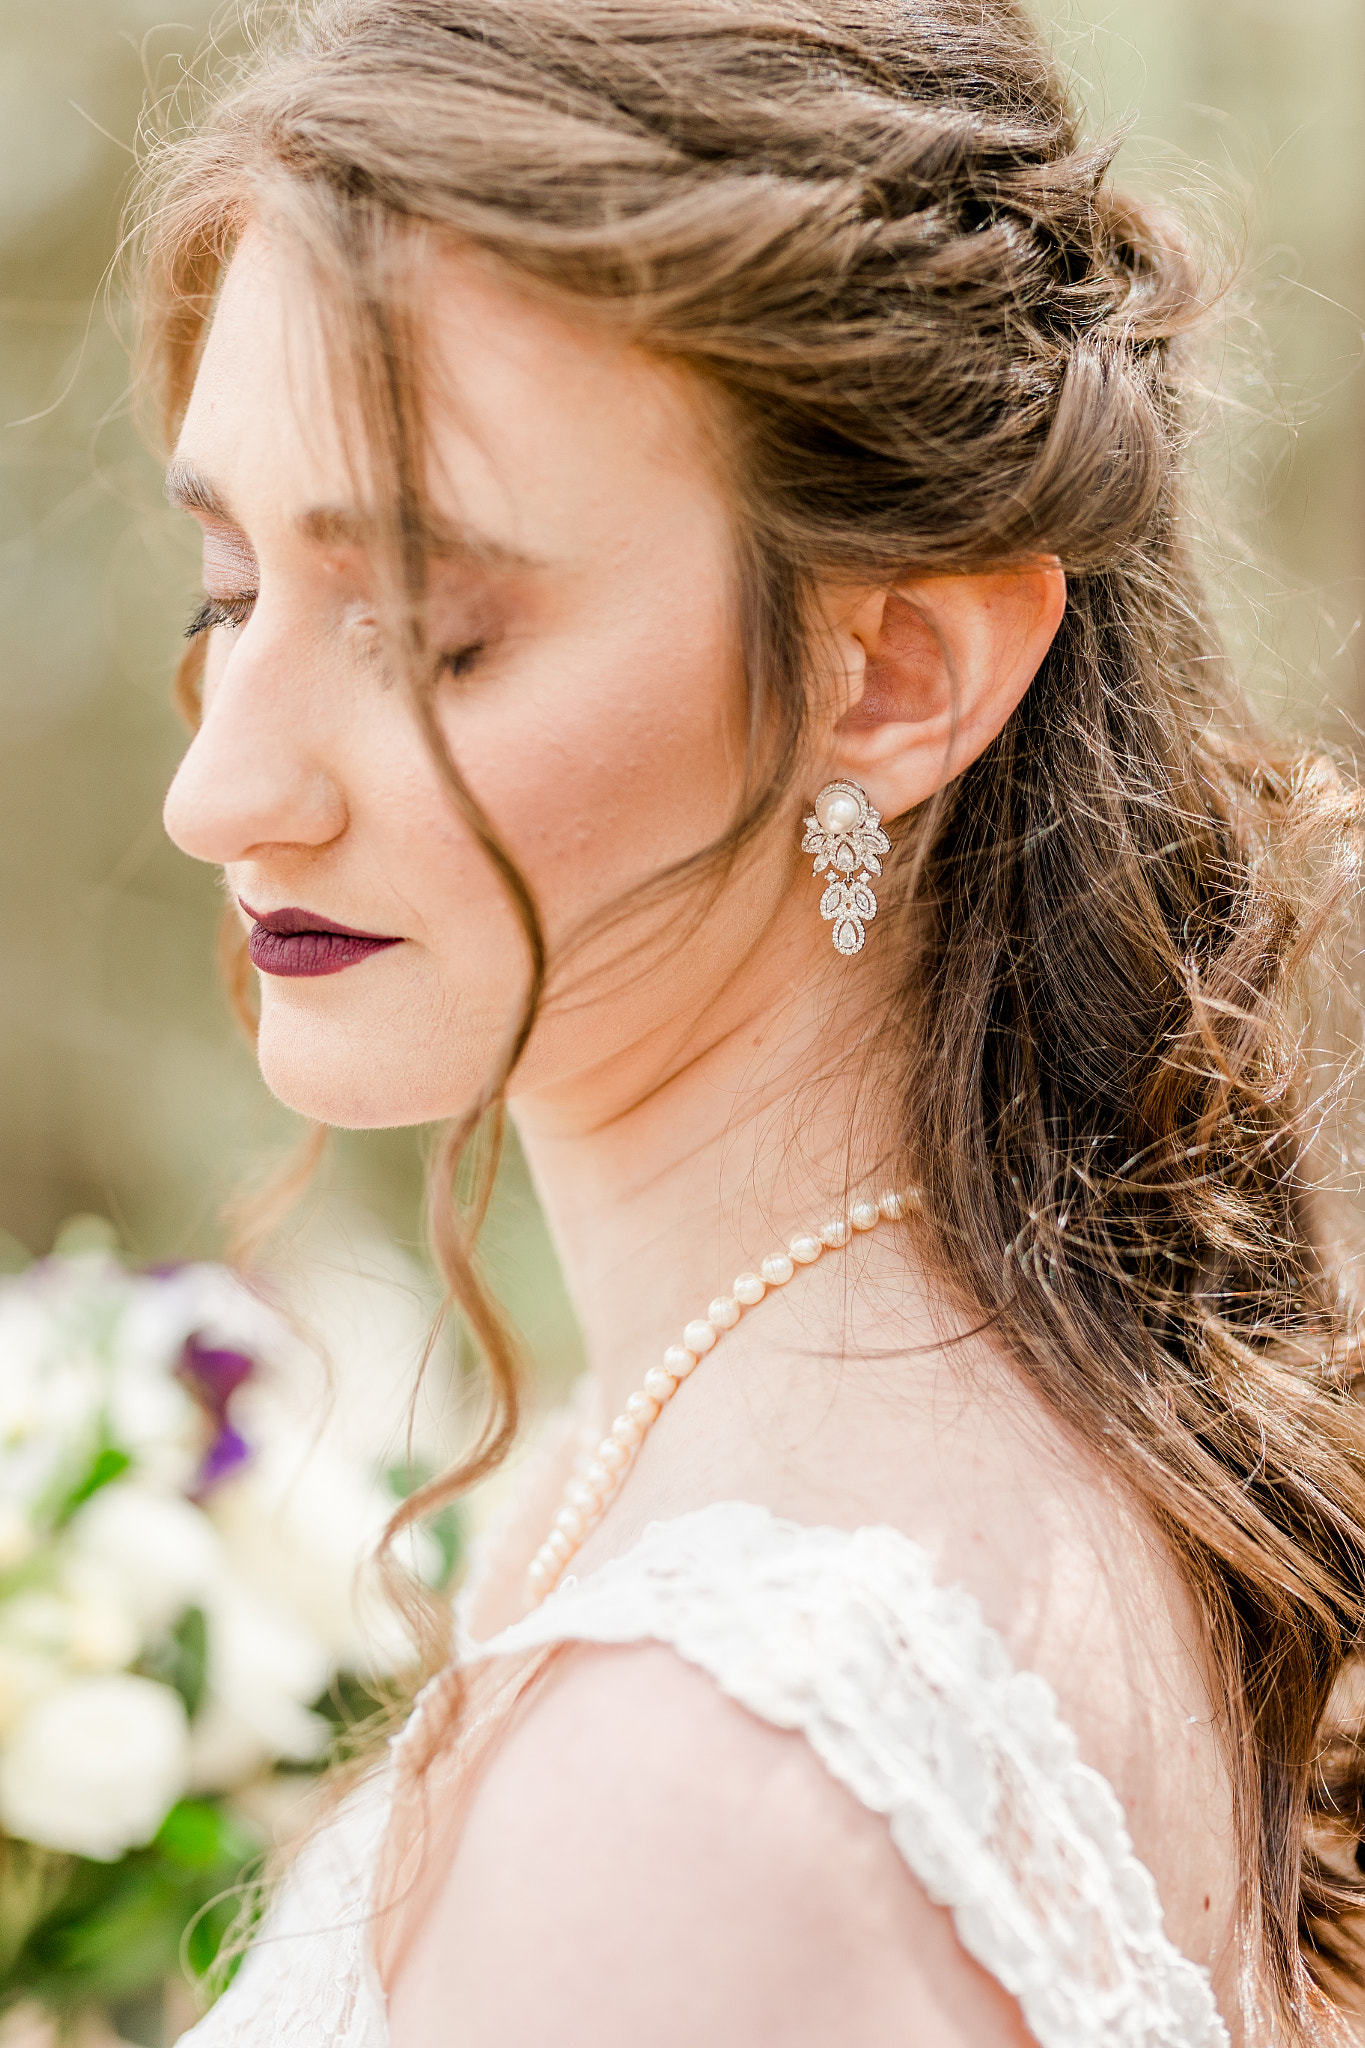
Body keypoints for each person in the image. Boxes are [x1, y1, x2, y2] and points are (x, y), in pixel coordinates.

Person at [131, 0, 1365, 2040]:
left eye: (430, 633)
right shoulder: (956, 1453)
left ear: (889, 673)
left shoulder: (696, 1786)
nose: (218, 790)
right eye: (227, 589)